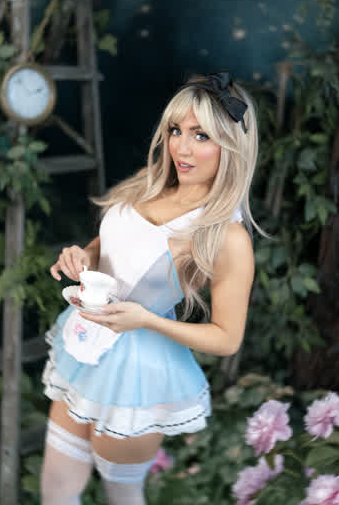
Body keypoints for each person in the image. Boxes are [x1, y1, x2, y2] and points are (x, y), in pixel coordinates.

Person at [40, 71, 262, 505]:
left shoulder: (228, 237)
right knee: (56, 487)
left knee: (122, 494)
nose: (181, 147)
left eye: (201, 136)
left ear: (232, 146)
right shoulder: (151, 182)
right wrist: (84, 257)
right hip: (84, 344)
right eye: (176, 130)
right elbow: (110, 243)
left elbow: (227, 338)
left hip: (138, 373)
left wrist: (145, 320)